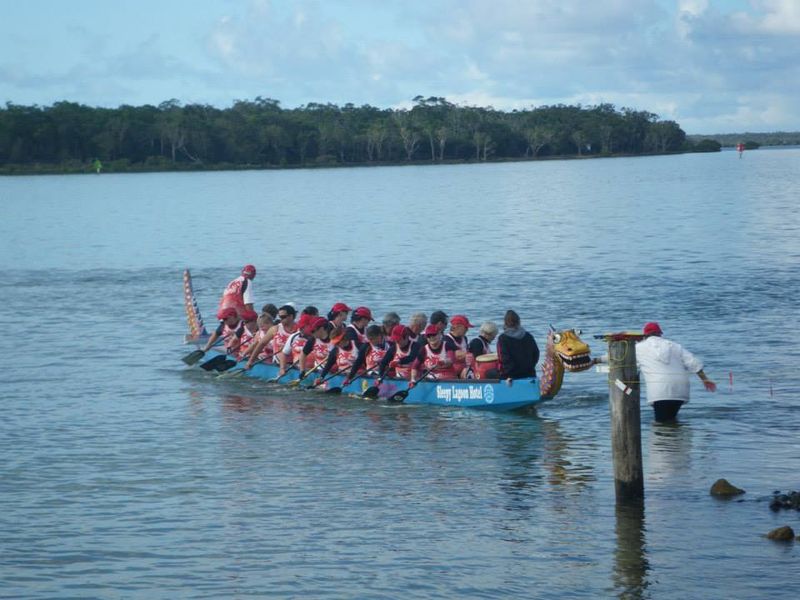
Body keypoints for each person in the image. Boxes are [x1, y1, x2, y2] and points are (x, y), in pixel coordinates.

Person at [605, 322, 716, 422]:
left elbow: (617, 357)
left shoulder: (638, 348)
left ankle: (666, 438)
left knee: (661, 424)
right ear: (660, 334)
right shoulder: (674, 346)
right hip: (680, 389)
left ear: (645, 335)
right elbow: (693, 362)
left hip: (659, 391)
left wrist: (597, 360)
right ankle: (673, 437)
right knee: (671, 419)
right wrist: (705, 380)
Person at [244, 304, 297, 370]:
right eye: (279, 317)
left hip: (294, 364)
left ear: (291, 316)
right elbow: (261, 344)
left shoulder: (299, 330)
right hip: (277, 364)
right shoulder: (275, 329)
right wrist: (250, 361)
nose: (281, 319)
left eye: (283, 317)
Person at [494, 310, 539, 384]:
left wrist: (508, 374)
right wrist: (530, 366)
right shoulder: (528, 336)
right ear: (519, 322)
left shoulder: (503, 339)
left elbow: (504, 359)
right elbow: (536, 354)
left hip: (511, 377)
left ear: (505, 323)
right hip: (529, 373)